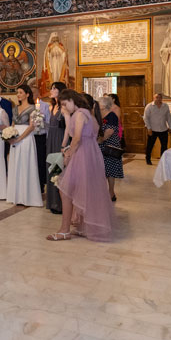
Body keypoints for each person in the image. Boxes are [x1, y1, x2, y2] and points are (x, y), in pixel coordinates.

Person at [47, 90, 115, 241]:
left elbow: (77, 138)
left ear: (72, 100)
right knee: (83, 190)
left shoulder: (79, 114)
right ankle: (83, 227)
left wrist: (68, 154)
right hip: (91, 154)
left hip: (82, 154)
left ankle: (64, 230)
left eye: (65, 104)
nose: (64, 108)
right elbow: (93, 136)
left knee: (66, 191)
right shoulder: (89, 114)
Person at [6, 84, 43, 207]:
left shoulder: (33, 108)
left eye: (21, 92)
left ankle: (27, 196)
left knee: (26, 165)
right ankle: (16, 196)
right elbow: (12, 124)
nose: (18, 95)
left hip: (26, 138)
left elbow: (32, 126)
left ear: (27, 94)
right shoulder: (15, 108)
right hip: (15, 137)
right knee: (15, 164)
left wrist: (20, 138)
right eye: (17, 92)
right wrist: (9, 136)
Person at [44, 82, 67, 214]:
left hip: (60, 139)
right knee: (51, 168)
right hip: (51, 139)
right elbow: (50, 125)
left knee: (59, 169)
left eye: (54, 88)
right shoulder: (51, 107)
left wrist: (64, 144)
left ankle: (60, 203)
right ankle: (52, 201)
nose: (51, 90)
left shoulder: (64, 107)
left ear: (60, 91)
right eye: (51, 88)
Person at [99, 95, 124, 201]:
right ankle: (103, 192)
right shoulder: (100, 115)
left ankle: (111, 192)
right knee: (102, 170)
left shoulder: (112, 115)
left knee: (110, 171)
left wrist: (99, 140)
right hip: (101, 145)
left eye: (99, 103)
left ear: (104, 105)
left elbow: (109, 131)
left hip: (110, 146)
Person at [143, 93, 171, 164]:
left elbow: (168, 117)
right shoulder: (149, 106)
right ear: (154, 98)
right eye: (157, 97)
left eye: (160, 97)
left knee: (164, 146)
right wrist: (149, 128)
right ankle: (148, 159)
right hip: (152, 130)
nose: (158, 99)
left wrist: (170, 127)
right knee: (150, 145)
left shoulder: (165, 106)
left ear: (161, 98)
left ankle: (162, 160)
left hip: (163, 129)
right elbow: (146, 118)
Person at [33, 94, 50, 191]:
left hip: (41, 136)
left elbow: (48, 122)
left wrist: (41, 121)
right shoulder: (29, 106)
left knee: (40, 160)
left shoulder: (45, 106)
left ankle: (41, 183)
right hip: (31, 135)